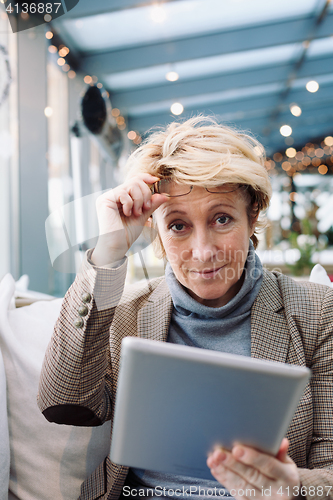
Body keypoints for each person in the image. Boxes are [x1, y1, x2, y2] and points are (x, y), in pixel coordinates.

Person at [38, 116, 333, 500]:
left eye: (222, 218)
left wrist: (289, 485)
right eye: (178, 225)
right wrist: (109, 251)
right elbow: (64, 401)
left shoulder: (317, 311)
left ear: (254, 215)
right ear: (156, 231)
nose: (203, 251)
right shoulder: (126, 312)